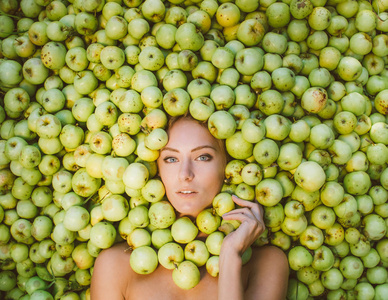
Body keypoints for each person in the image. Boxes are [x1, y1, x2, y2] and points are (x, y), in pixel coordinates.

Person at [90, 114, 289, 299]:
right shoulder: (114, 265)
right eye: (171, 159)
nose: (185, 173)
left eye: (202, 157)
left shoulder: (267, 264)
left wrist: (230, 257)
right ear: (157, 171)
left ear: (228, 167)